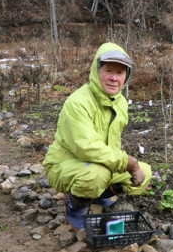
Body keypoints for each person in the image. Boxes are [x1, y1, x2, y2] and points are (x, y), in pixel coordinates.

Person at [42, 42, 152, 231]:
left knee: (146, 172)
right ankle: (75, 205)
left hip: (97, 163)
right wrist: (129, 162)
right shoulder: (78, 103)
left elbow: (111, 145)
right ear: (96, 71)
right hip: (65, 166)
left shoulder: (120, 103)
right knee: (97, 174)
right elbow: (87, 148)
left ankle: (97, 197)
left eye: (120, 73)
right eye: (108, 70)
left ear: (126, 76)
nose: (114, 78)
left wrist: (129, 165)